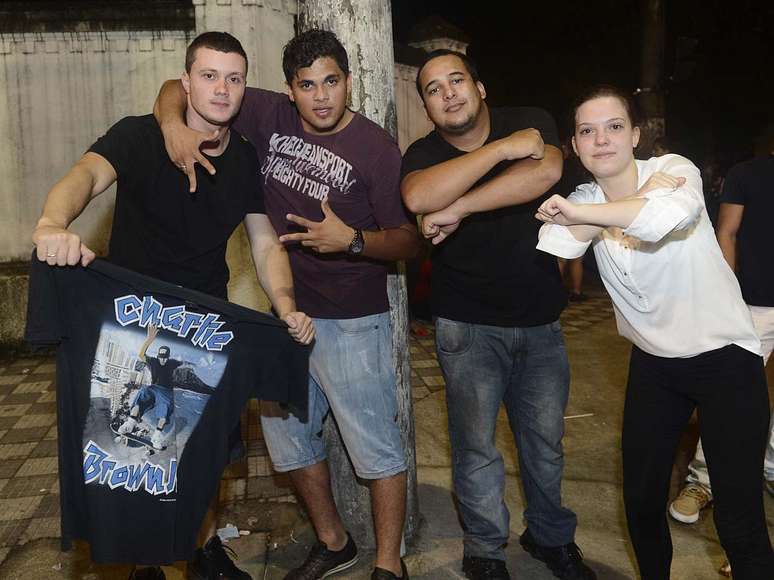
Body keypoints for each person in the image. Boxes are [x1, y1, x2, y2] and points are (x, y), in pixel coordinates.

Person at [32, 31, 314, 580]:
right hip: (131, 326)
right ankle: (146, 565)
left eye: (233, 78)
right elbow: (85, 175)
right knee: (134, 448)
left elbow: (264, 243)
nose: (221, 89)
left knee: (208, 449)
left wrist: (286, 305)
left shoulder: (245, 158)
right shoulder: (139, 135)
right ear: (185, 83)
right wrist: (51, 223)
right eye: (208, 76)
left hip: (204, 326)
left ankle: (202, 548)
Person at [154, 29, 419, 580]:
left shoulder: (375, 148)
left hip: (352, 319)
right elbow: (176, 89)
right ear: (289, 90)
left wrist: (351, 241)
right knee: (290, 445)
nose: (321, 96)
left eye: (331, 82)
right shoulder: (266, 112)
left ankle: (389, 565)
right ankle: (334, 542)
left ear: (349, 82)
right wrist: (172, 126)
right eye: (307, 85)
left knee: (377, 449)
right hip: (283, 316)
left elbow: (407, 240)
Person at [536, 85, 774, 579]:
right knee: (642, 503)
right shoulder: (585, 197)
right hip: (653, 366)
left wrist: (588, 216)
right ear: (575, 145)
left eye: (614, 126)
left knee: (738, 517)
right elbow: (556, 239)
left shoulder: (675, 169)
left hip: (725, 359)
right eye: (587, 131)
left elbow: (665, 218)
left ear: (635, 135)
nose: (602, 139)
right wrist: (614, 206)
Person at [400, 49, 595, 580]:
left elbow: (545, 172)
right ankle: (485, 548)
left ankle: (550, 536)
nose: (448, 94)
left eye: (457, 80)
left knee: (545, 445)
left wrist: (458, 207)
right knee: (475, 449)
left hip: (540, 323)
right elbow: (418, 196)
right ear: (427, 107)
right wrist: (503, 150)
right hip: (466, 327)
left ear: (480, 87)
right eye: (434, 89)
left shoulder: (530, 119)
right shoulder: (424, 153)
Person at [668, 140, 774, 576]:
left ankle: (769, 472)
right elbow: (726, 233)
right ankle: (703, 481)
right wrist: (729, 299)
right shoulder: (748, 172)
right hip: (752, 306)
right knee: (731, 406)